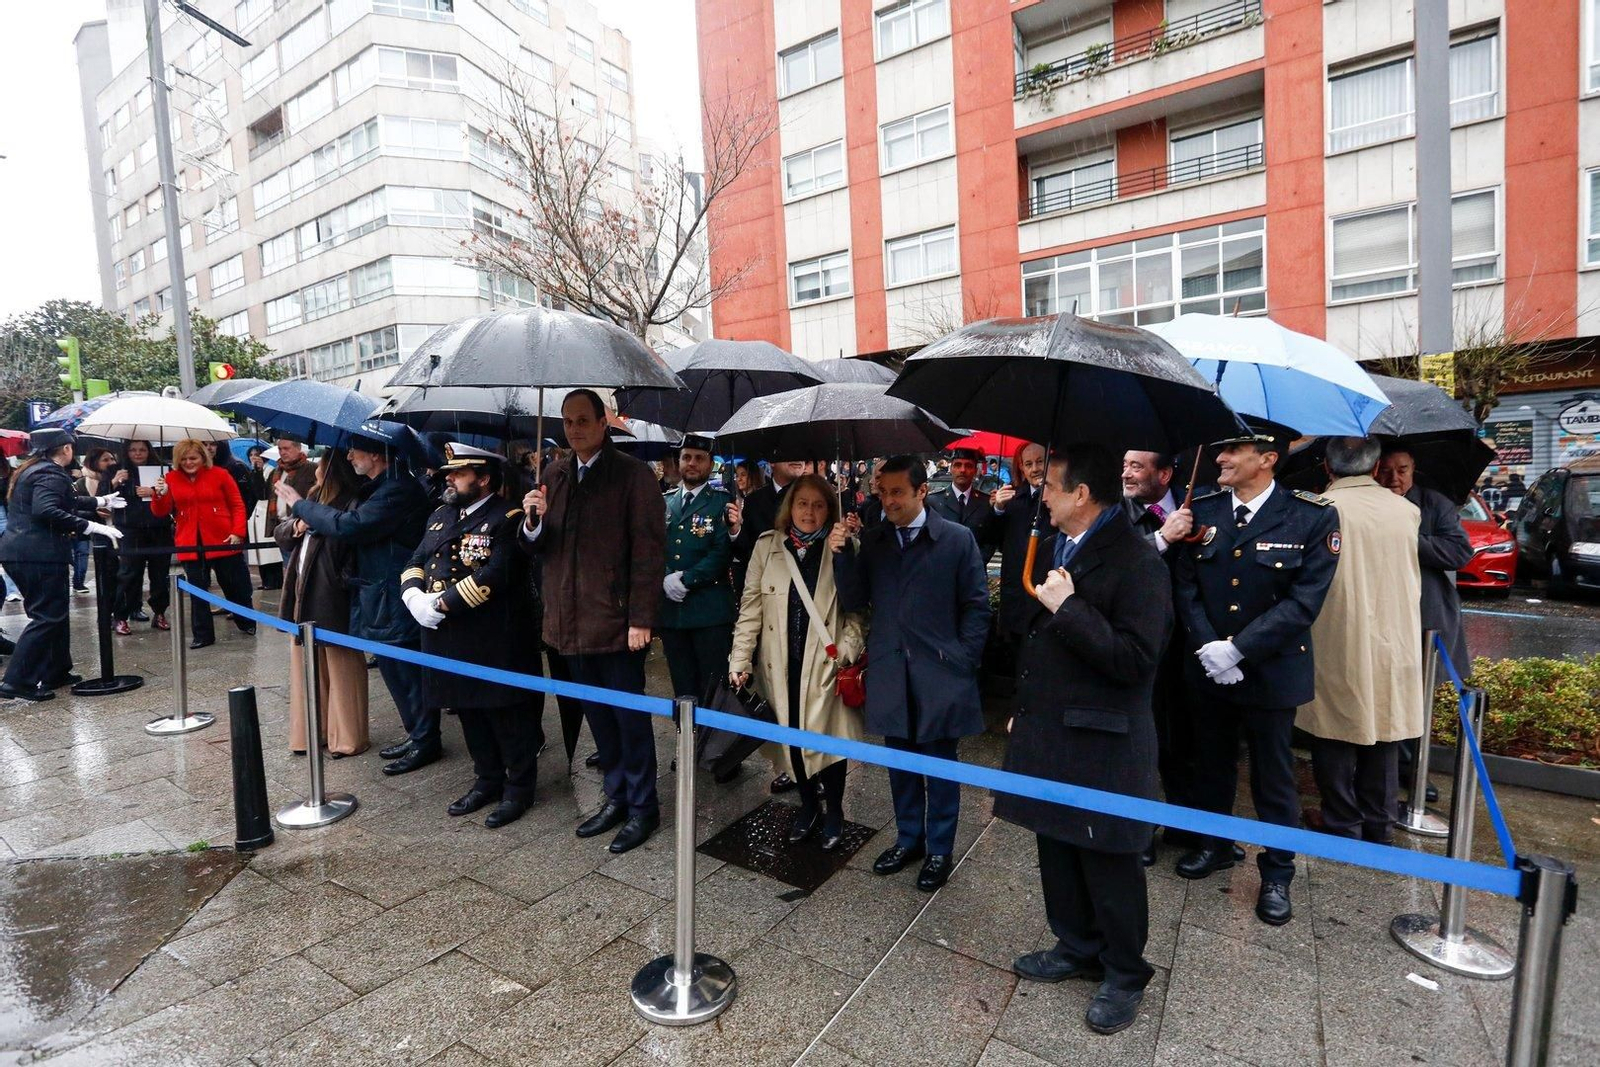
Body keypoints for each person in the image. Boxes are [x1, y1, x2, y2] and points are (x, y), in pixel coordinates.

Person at [1000, 443, 1172, 1036]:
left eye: (1050, 486)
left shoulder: (1138, 559)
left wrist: (1070, 607)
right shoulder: (1058, 544)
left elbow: (1137, 659)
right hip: (1052, 726)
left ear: (1080, 494)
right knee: (1056, 843)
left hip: (1104, 739)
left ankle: (1124, 970)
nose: (1041, 495)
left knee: (1107, 858)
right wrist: (1026, 708)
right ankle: (1075, 944)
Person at [1171, 420, 1340, 926]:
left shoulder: (1311, 516)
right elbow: (1186, 586)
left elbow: (1304, 602)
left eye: (1234, 450)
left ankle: (1278, 872)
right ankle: (1214, 843)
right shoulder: (1201, 508)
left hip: (1271, 671)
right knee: (1211, 762)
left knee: (1273, 776)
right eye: (1220, 449)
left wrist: (1238, 650)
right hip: (1207, 666)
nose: (1220, 458)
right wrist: (1209, 647)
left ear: (1268, 458)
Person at [831, 455, 991, 891]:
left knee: (940, 767)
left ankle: (939, 848)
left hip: (941, 672)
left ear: (922, 491)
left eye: (898, 492)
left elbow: (977, 606)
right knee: (899, 764)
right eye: (883, 492)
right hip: (891, 669)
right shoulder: (876, 539)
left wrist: (962, 660)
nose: (888, 501)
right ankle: (908, 839)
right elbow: (855, 599)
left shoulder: (956, 539)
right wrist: (842, 555)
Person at [522, 389, 667, 854]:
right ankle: (616, 795)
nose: (575, 429)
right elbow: (538, 547)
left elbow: (648, 553)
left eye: (584, 420)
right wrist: (532, 521)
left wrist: (641, 618)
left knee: (628, 718)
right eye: (568, 421)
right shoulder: (554, 474)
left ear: (604, 423)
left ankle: (643, 806)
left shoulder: (632, 475)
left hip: (616, 621)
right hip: (569, 622)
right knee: (598, 719)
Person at [404, 444, 541, 828]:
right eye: (449, 472)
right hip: (447, 637)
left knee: (506, 716)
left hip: (492, 638)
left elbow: (496, 574)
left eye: (458, 473)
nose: (449, 478)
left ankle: (519, 789)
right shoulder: (440, 515)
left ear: (483, 478)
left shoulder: (507, 517)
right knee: (468, 713)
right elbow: (417, 560)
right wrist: (413, 597)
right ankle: (487, 779)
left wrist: (441, 603)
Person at [281, 432, 435, 774]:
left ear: (376, 454)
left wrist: (301, 504)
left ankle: (425, 740)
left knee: (406, 672)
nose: (349, 457)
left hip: (393, 594)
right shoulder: (381, 486)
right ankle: (417, 734)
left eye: (356, 451)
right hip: (379, 592)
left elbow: (351, 526)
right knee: (395, 670)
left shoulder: (397, 489)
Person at [730, 474, 866, 848]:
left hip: (824, 666)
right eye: (802, 503)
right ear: (790, 507)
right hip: (779, 665)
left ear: (830, 509)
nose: (809, 512)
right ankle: (808, 806)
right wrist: (740, 659)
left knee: (829, 742)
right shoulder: (767, 546)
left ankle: (834, 810)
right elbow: (750, 608)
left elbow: (858, 611)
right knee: (791, 742)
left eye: (819, 505)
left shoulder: (843, 546)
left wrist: (846, 653)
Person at [1300, 438, 1423, 845]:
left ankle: (1342, 820)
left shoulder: (1319, 508)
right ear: (1374, 468)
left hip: (1338, 633)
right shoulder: (1406, 510)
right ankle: (1380, 822)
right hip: (1395, 636)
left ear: (1327, 467)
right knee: (1385, 727)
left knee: (1333, 728)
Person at [1377, 445, 1472, 805]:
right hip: (1380, 612)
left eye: (1402, 470)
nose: (1394, 478)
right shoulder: (1370, 503)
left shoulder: (1434, 504)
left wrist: (1406, 538)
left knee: (1416, 698)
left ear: (1413, 470)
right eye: (1386, 470)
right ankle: (1384, 769)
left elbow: (1459, 552)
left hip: (1424, 616)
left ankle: (1414, 772)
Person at [0, 430, 123, 701]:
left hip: (25, 552)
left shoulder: (32, 469)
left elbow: (64, 500)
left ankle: (56, 671)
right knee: (47, 616)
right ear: (66, 448)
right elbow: (46, 510)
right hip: (39, 554)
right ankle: (16, 681)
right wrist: (91, 526)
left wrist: (100, 500)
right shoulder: (50, 473)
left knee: (55, 613)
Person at [1121, 450, 1201, 864]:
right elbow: (1117, 566)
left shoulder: (1200, 505)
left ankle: (1188, 826)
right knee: (1144, 740)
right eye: (1125, 465)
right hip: (1142, 646)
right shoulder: (1117, 512)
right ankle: (1141, 830)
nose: (1126, 474)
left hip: (1192, 647)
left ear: (1165, 474)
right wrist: (1162, 538)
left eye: (1136, 466)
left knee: (1186, 740)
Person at [150, 438, 256, 650]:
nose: (189, 463)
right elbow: (161, 511)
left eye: (193, 458)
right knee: (197, 589)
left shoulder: (220, 474)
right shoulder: (170, 478)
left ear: (202, 457)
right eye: (184, 459)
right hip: (190, 540)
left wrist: (238, 532)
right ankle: (202, 634)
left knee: (234, 584)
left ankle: (246, 621)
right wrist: (159, 494)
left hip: (222, 538)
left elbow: (237, 504)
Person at [658, 435, 736, 706]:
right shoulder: (665, 501)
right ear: (678, 462)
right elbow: (651, 546)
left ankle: (711, 735)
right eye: (686, 457)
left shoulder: (722, 502)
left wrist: (686, 579)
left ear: (710, 464)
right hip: (673, 615)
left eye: (699, 458)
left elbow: (721, 552)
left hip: (709, 613)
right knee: (683, 693)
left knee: (713, 692)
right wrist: (664, 576)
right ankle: (686, 734)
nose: (692, 463)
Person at [990, 442, 1050, 666]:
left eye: (1040, 462)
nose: (1035, 469)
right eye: (1028, 464)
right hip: (1015, 596)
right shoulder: (1012, 499)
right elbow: (994, 539)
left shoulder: (1058, 498)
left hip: (1045, 595)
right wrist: (997, 509)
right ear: (1021, 468)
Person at [112, 440, 173, 635]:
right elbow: (102, 497)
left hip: (159, 527)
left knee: (160, 574)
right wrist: (114, 482)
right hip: (130, 529)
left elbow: (173, 495)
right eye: (133, 450)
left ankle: (160, 611)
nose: (137, 454)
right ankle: (121, 615)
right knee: (129, 573)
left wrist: (154, 491)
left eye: (142, 450)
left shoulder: (162, 469)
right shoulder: (116, 469)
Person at [261, 437, 315, 590]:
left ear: (298, 448)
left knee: (303, 569)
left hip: (302, 525)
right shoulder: (277, 471)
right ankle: (291, 596)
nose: (282, 452)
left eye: (286, 448)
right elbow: (266, 495)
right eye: (280, 449)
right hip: (282, 526)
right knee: (288, 568)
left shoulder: (311, 469)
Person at [927, 448, 997, 560]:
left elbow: (990, 540)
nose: (963, 470)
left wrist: (975, 562)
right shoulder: (934, 501)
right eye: (958, 465)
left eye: (968, 466)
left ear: (975, 470)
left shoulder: (986, 502)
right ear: (951, 468)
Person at [71, 448, 120, 593]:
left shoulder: (121, 480)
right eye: (105, 460)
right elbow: (74, 510)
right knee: (106, 573)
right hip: (98, 533)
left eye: (112, 459)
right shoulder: (81, 484)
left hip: (120, 529)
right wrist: (94, 512)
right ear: (94, 462)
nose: (110, 463)